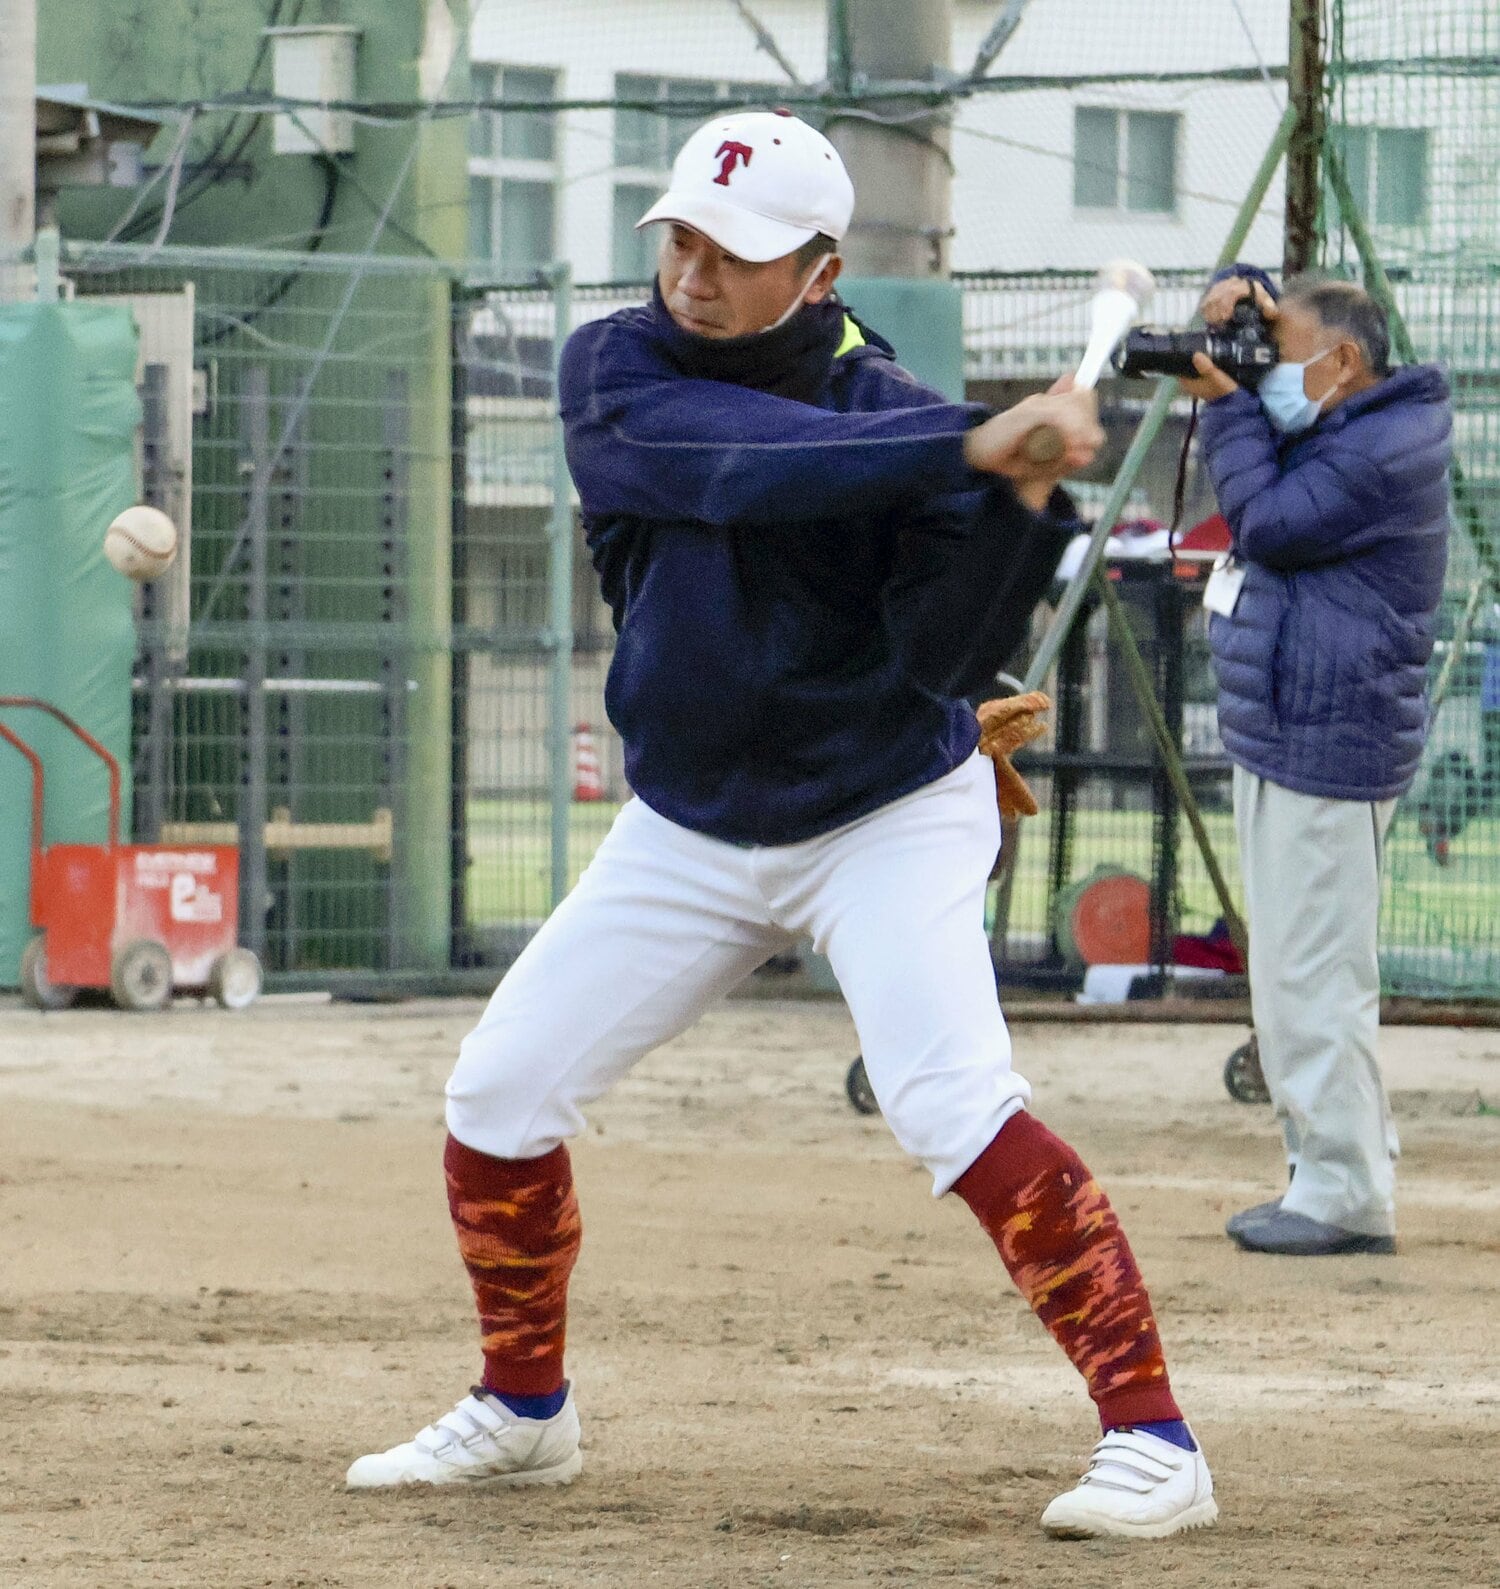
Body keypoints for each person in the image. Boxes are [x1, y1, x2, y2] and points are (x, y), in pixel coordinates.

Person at [348, 111, 1216, 1539]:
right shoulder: (616, 369)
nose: (692, 270)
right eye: (680, 235)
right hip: (689, 819)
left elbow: (946, 659)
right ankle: (525, 1408)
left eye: (733, 252)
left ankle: (1156, 1440)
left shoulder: (905, 421)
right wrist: (972, 443)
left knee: (948, 1101)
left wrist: (1017, 502)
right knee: (498, 1096)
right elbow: (730, 462)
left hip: (883, 810)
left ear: (816, 274)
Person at [1181, 268, 1451, 1256]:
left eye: (1281, 348)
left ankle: (1343, 1191)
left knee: (1314, 974)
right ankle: (1335, 1168)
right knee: (1299, 972)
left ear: (1343, 361)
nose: (1263, 371)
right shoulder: (1346, 424)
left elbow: (1269, 523)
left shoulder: (1384, 447)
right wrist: (1236, 297)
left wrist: (1223, 412)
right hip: (1298, 725)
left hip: (1331, 738)